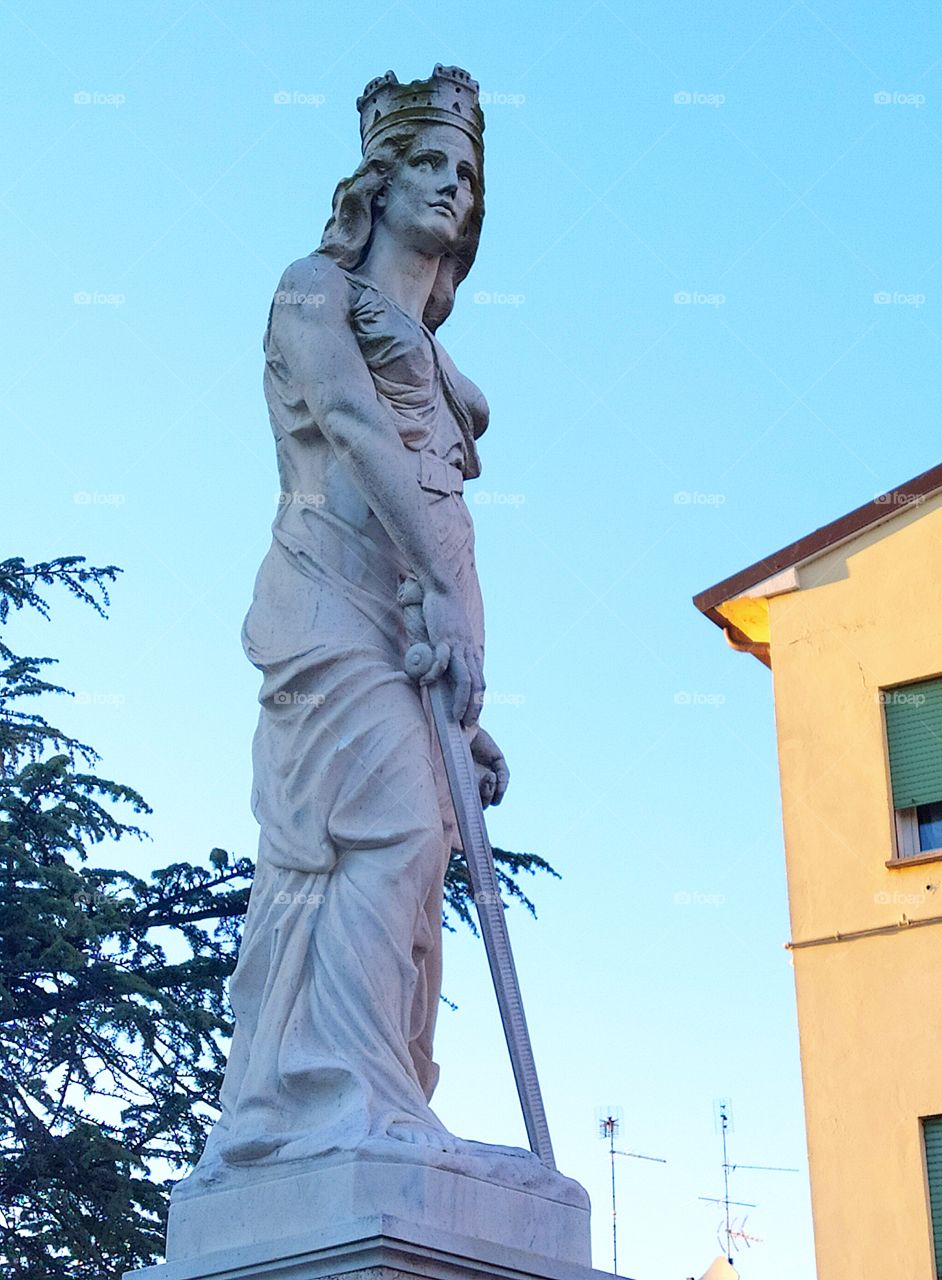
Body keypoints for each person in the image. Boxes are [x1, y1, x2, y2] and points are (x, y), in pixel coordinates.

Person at [194, 66, 514, 1173]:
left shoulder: (440, 356)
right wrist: (445, 614)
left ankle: (381, 1094)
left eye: (469, 172)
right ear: (374, 183)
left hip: (408, 635)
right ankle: (335, 1093)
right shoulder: (308, 292)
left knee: (418, 868)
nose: (454, 187)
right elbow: (347, 422)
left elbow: (436, 504)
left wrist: (465, 710)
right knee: (382, 838)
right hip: (327, 603)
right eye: (430, 162)